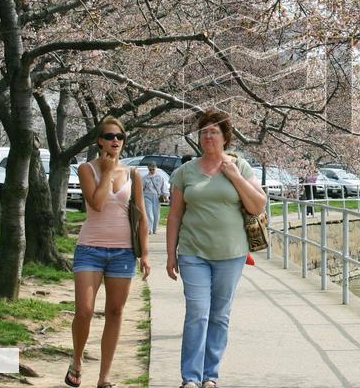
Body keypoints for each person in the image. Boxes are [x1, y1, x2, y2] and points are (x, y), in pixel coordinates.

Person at [167, 109, 267, 388]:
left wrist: (234, 175)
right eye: (204, 131)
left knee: (219, 315)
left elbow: (258, 205)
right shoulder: (184, 172)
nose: (208, 136)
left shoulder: (241, 167)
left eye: (214, 131)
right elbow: (174, 215)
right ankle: (190, 377)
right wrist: (170, 254)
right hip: (193, 252)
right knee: (197, 312)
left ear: (225, 137)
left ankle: (210, 375)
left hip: (231, 254)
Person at [67, 116, 150, 388]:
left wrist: (145, 254)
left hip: (123, 252)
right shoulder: (86, 169)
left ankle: (104, 377)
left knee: (115, 312)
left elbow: (141, 216)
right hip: (89, 249)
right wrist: (105, 172)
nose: (116, 141)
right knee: (85, 311)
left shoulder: (133, 174)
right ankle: (77, 361)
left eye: (120, 137)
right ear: (100, 141)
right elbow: (98, 204)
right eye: (110, 136)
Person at [142, 162, 169, 234]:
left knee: (156, 214)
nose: (152, 171)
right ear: (148, 169)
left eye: (153, 169)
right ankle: (149, 229)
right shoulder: (145, 178)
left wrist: (165, 195)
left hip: (157, 197)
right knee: (149, 213)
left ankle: (154, 229)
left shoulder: (160, 177)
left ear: (156, 168)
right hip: (147, 197)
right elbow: (141, 188)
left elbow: (164, 187)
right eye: (150, 169)